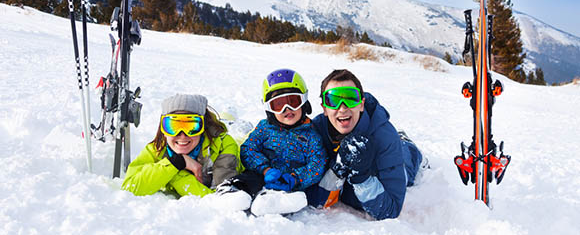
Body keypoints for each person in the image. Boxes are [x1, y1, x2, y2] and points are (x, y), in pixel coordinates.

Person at [306, 69, 427, 220]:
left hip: (397, 157)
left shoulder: (384, 137)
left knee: (407, 164)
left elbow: (391, 210)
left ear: (361, 104)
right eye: (333, 100)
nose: (342, 108)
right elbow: (314, 196)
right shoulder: (316, 130)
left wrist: (362, 178)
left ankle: (408, 145)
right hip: (348, 190)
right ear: (324, 108)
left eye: (351, 98)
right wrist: (338, 168)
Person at [215, 68, 327, 215]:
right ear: (269, 108)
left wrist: (295, 178)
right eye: (278, 105)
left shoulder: (312, 134)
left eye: (293, 101)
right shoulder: (265, 128)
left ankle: (274, 202)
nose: (287, 109)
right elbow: (248, 149)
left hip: (290, 181)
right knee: (250, 178)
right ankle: (233, 191)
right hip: (261, 174)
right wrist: (265, 169)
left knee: (296, 192)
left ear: (304, 102)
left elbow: (317, 164)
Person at [122, 93, 243, 197]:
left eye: (191, 126)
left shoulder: (224, 146)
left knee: (241, 135)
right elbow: (130, 188)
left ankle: (232, 120)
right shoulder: (157, 149)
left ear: (203, 127)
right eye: (173, 126)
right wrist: (176, 163)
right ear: (163, 129)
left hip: (240, 144)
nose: (182, 135)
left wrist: (174, 176)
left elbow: (222, 199)